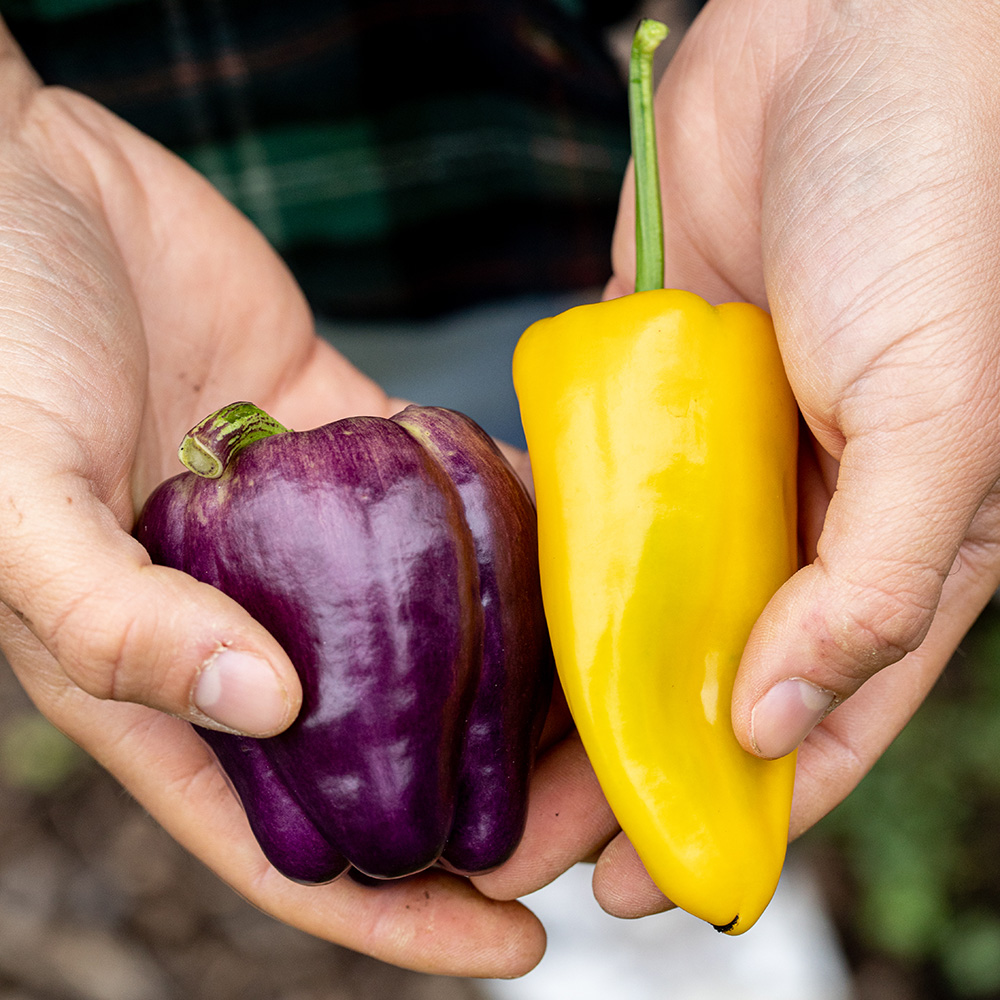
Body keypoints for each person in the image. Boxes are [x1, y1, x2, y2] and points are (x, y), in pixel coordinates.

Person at [1, 0, 998, 978]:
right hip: (177, 190)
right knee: (469, 523)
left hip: (630, 158)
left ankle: (657, 882)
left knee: (503, 517)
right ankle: (596, 890)